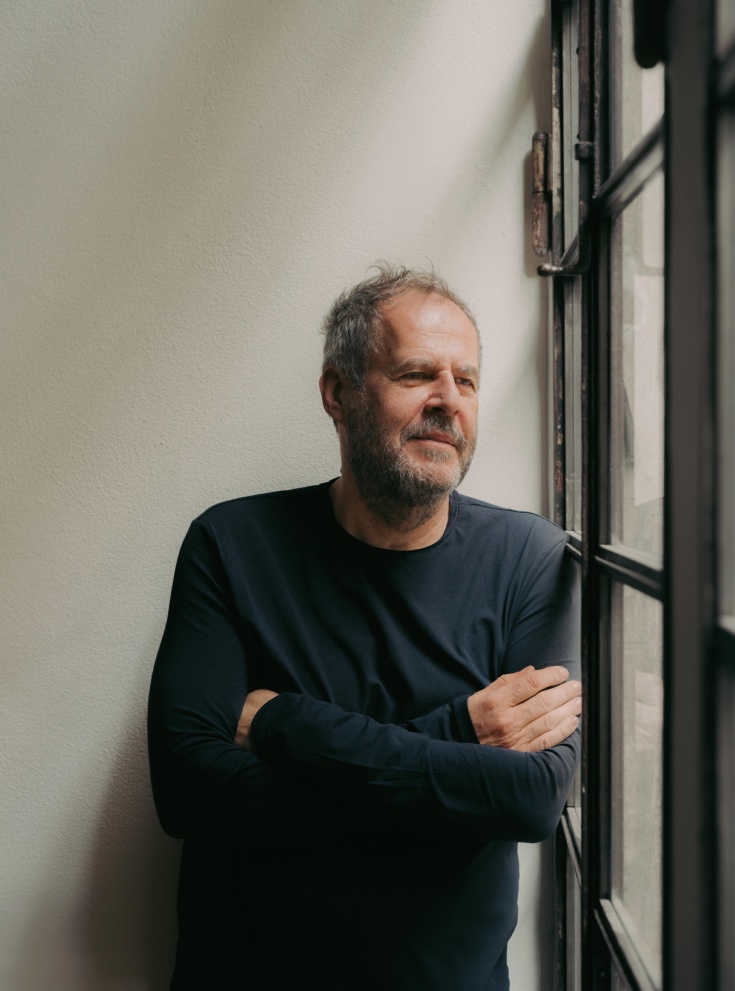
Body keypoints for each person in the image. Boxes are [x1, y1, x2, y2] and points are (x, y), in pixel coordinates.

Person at [147, 265, 582, 991]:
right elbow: (189, 791)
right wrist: (458, 742)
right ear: (337, 391)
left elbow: (530, 797)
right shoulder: (232, 544)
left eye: (467, 381)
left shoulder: (530, 559)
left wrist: (285, 724)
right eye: (416, 374)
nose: (447, 400)